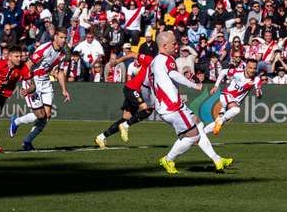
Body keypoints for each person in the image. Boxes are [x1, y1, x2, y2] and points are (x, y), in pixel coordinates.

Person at [153, 31, 233, 174]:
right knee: (193, 135)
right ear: (165, 46)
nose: (177, 46)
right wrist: (193, 85)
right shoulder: (167, 59)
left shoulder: (154, 61)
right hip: (172, 107)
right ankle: (168, 159)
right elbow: (174, 75)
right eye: (174, 44)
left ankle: (217, 159)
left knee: (199, 125)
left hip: (167, 106)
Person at [9, 30, 71, 151]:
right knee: (40, 115)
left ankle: (27, 141)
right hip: (34, 80)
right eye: (62, 37)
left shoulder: (63, 53)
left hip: (46, 82)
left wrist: (64, 90)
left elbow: (59, 72)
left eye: (65, 37)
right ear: (55, 37)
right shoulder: (45, 49)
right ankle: (16, 121)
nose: (64, 40)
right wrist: (29, 83)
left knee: (47, 116)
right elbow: (28, 65)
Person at [95, 45, 157, 148]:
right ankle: (126, 126)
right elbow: (132, 54)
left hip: (133, 89)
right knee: (147, 110)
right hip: (133, 88)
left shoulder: (161, 70)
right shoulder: (150, 60)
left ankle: (101, 137)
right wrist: (117, 61)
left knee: (125, 118)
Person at [210, 57, 263, 135]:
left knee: (218, 121)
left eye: (254, 68)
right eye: (250, 68)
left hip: (235, 101)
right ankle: (221, 120)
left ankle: (200, 135)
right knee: (236, 110)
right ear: (246, 67)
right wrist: (216, 86)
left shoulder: (256, 79)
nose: (252, 70)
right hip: (226, 95)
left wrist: (258, 93)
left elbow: (259, 91)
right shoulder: (237, 72)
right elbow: (223, 72)